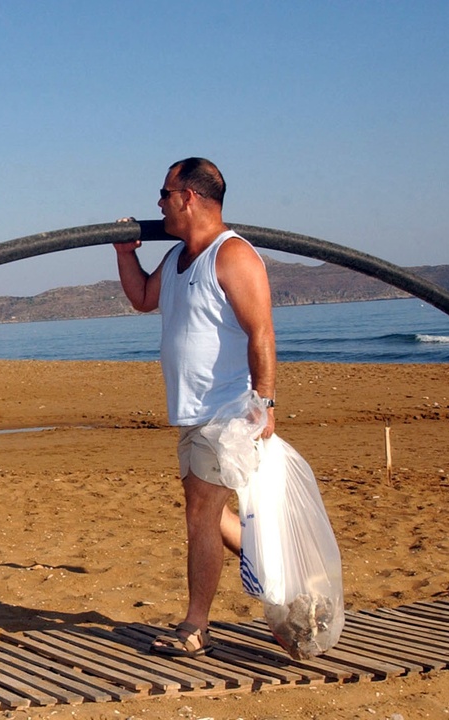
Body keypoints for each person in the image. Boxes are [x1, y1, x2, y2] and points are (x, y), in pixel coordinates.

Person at [113, 157, 276, 658]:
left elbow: (262, 332)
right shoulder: (179, 258)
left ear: (189, 197)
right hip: (190, 413)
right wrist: (124, 252)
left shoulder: (233, 256)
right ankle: (282, 576)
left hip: (228, 412)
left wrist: (265, 403)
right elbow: (142, 298)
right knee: (206, 513)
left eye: (164, 193)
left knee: (202, 517)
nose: (158, 203)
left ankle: (195, 627)